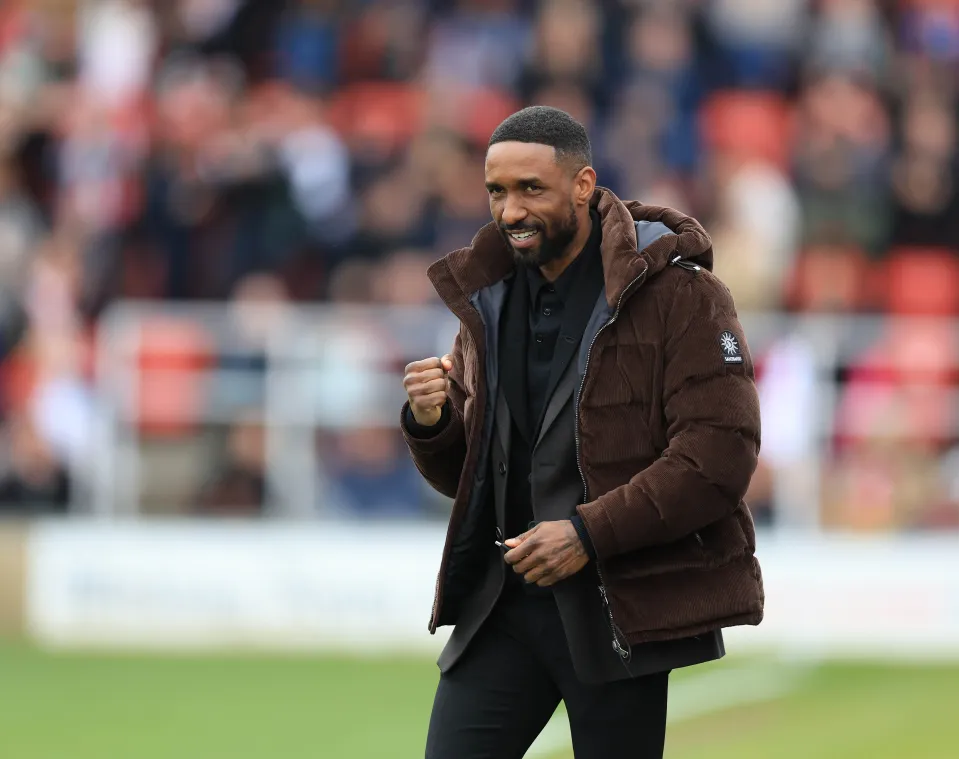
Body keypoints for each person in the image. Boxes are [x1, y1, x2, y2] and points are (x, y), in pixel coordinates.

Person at [401, 106, 764, 759]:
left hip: (615, 606)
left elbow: (718, 455)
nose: (509, 210)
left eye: (529, 189)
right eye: (496, 191)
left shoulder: (680, 295)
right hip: (501, 606)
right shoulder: (487, 297)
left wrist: (586, 534)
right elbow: (468, 474)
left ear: (582, 184)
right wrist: (432, 425)